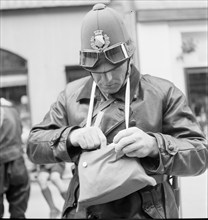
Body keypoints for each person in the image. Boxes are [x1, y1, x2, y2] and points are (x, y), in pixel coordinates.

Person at [27, 3, 208, 219]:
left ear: (129, 58)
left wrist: (154, 145)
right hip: (85, 211)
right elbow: (34, 146)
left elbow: (200, 155)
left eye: (115, 68)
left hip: (147, 210)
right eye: (97, 72)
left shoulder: (163, 92)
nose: (107, 79)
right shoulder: (70, 95)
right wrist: (72, 137)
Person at [0, 98, 30, 218]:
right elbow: (20, 131)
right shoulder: (12, 110)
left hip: (2, 162)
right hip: (18, 162)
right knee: (18, 210)